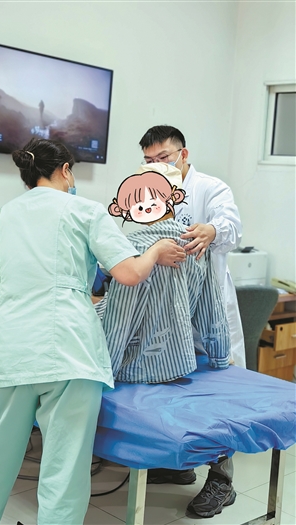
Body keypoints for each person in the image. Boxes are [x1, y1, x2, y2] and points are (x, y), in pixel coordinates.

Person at [0, 137, 186, 525]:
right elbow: (129, 274)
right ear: (65, 170)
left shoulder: (4, 215)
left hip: (12, 349)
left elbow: (0, 284)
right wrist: (156, 251)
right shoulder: (85, 210)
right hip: (70, 350)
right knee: (64, 472)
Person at [137, 125, 243, 517]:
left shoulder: (210, 188)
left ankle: (221, 481)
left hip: (207, 308)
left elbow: (231, 226)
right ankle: (179, 465)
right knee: (172, 385)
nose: (156, 166)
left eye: (163, 157)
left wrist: (212, 230)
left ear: (183, 154)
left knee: (216, 392)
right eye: (148, 160)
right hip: (166, 309)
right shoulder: (148, 192)